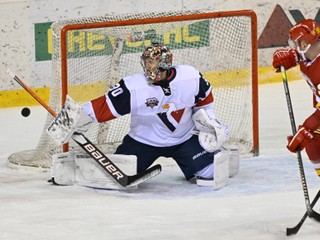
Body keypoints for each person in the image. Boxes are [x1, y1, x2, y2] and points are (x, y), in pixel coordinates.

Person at [47, 43, 233, 188]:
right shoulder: (134, 87)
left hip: (183, 139)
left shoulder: (190, 76)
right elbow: (103, 106)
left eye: (153, 63)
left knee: (211, 173)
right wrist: (73, 120)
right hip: (143, 142)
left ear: (166, 64)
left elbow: (205, 100)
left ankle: (219, 156)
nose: (149, 68)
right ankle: (71, 168)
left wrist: (210, 122)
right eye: (147, 63)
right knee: (113, 176)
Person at [272, 19, 320, 177]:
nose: (294, 47)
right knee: (314, 145)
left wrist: (307, 128)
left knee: (313, 140)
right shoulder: (312, 54)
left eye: (297, 44)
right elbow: (304, 58)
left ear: (305, 44)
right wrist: (292, 57)